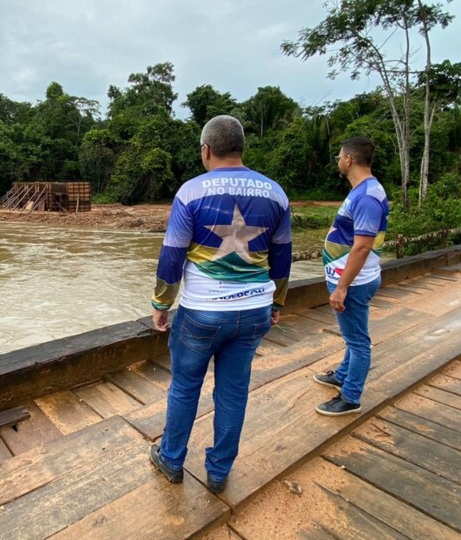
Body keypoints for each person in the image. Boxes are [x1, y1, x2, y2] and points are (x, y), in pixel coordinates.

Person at [148, 115, 292, 494]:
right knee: (233, 391)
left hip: (202, 311)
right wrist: (277, 302)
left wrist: (161, 303)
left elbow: (172, 255)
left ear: (206, 150)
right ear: (241, 147)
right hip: (254, 312)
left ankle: (172, 459)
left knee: (184, 386)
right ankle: (218, 471)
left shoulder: (191, 192)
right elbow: (283, 256)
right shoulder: (276, 194)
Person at [313, 136, 389, 416]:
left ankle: (351, 395)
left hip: (353, 282)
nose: (338, 161)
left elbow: (363, 245)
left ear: (349, 160)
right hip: (350, 278)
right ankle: (343, 375)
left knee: (358, 341)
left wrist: (342, 287)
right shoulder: (363, 190)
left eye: (339, 156)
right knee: (353, 334)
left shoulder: (368, 196)